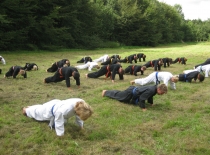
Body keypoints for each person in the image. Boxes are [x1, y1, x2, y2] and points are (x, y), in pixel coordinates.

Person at [22, 98, 93, 136]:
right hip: (50, 110)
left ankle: (31, 107)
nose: (78, 116)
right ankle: (26, 110)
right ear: (77, 111)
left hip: (58, 104)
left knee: (41, 108)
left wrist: (80, 126)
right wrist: (60, 134)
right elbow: (59, 122)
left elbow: (79, 117)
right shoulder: (65, 110)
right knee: (37, 114)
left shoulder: (82, 104)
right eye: (79, 114)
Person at [102, 84, 168, 111]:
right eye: (162, 93)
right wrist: (143, 108)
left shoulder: (154, 89)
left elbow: (149, 96)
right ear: (159, 89)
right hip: (130, 92)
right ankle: (106, 92)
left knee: (121, 95)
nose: (162, 94)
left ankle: (110, 92)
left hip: (133, 92)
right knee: (120, 97)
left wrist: (151, 103)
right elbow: (142, 98)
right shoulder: (152, 90)